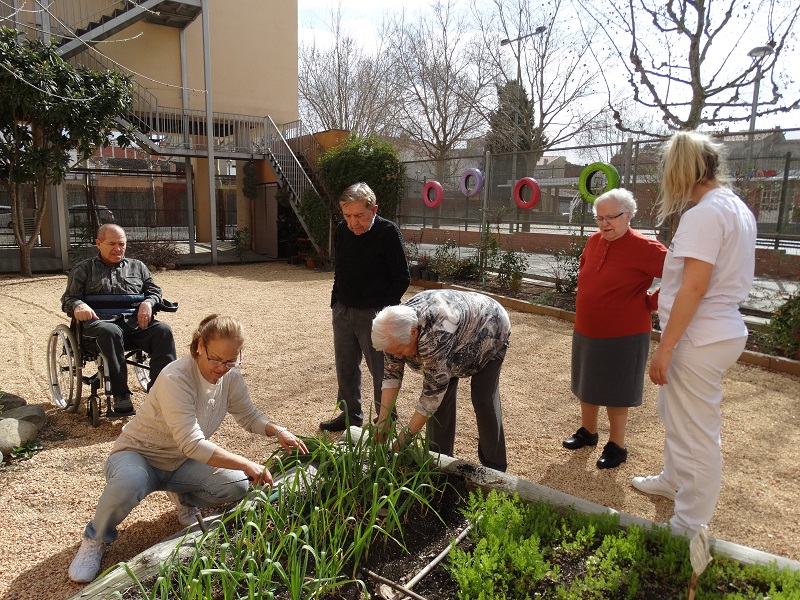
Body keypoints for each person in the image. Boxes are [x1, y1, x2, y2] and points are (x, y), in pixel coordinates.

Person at [68, 314, 309, 583]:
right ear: (199, 347)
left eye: (231, 360)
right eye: (215, 358)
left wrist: (278, 430)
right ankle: (95, 539)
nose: (222, 367)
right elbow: (192, 442)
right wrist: (246, 462)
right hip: (139, 454)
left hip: (181, 461)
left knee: (237, 485)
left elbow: (249, 416)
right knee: (128, 481)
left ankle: (183, 498)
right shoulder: (177, 377)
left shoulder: (230, 378)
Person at [632, 131, 756, 534]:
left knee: (696, 428)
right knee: (676, 414)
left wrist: (666, 346)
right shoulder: (733, 207)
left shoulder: (703, 213)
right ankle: (674, 480)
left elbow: (696, 286)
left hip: (698, 336)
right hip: (715, 330)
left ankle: (690, 521)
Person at [564, 188, 667, 469]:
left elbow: (679, 277)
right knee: (586, 381)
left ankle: (617, 445)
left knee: (617, 389)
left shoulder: (647, 248)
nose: (604, 223)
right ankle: (588, 432)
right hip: (587, 326)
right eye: (599, 218)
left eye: (611, 217)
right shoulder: (593, 240)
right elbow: (586, 270)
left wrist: (651, 302)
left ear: (629, 215)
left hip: (625, 333)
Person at [371, 289, 511, 472]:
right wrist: (383, 419)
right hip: (456, 329)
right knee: (441, 403)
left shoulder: (434, 336)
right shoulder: (393, 330)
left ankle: (495, 467)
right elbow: (392, 374)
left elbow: (431, 395)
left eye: (399, 351)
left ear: (414, 333)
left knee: (484, 397)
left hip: (489, 327)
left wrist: (406, 437)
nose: (397, 356)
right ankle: (439, 460)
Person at [319, 182, 410, 432]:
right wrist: (335, 301)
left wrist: (384, 314)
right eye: (347, 215)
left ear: (374, 209)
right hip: (343, 310)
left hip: (375, 314)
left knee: (381, 371)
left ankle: (385, 421)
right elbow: (341, 269)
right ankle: (350, 415)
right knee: (345, 366)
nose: (352, 222)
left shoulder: (387, 232)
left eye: (359, 215)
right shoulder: (342, 231)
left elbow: (402, 278)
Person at [61, 223, 177, 415]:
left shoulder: (137, 267)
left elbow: (154, 291)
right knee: (111, 332)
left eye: (122, 244)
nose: (118, 248)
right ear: (98, 243)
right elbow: (68, 299)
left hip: (133, 325)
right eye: (112, 243)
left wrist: (148, 303)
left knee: (163, 331)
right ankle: (120, 394)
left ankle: (160, 392)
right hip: (99, 328)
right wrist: (77, 305)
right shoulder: (83, 269)